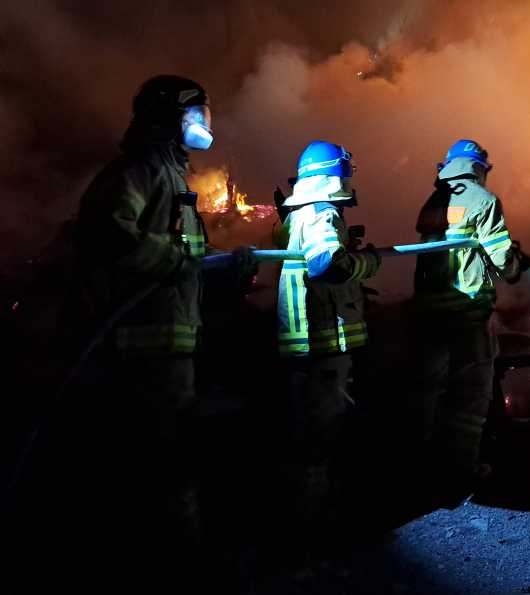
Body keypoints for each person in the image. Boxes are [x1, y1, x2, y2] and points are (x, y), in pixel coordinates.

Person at [72, 75, 253, 569]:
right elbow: (106, 232)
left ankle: (173, 550)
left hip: (170, 342)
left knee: (173, 451)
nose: (203, 123)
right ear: (169, 117)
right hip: (142, 343)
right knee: (163, 456)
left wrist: (227, 266)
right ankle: (169, 562)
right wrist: (172, 258)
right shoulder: (143, 168)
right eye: (195, 113)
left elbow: (185, 257)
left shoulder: (171, 175)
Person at [412, 139, 530, 504]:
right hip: (466, 315)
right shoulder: (483, 200)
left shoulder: (435, 200)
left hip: (429, 314)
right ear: (479, 168)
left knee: (429, 393)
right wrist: (517, 266)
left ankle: (420, 471)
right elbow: (500, 257)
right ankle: (459, 476)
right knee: (469, 398)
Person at [275, 141, 381, 514]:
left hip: (304, 336)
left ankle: (305, 505)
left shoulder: (297, 213)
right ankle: (318, 512)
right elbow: (327, 264)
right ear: (334, 175)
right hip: (325, 337)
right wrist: (367, 262)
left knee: (306, 424)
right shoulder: (323, 212)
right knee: (325, 425)